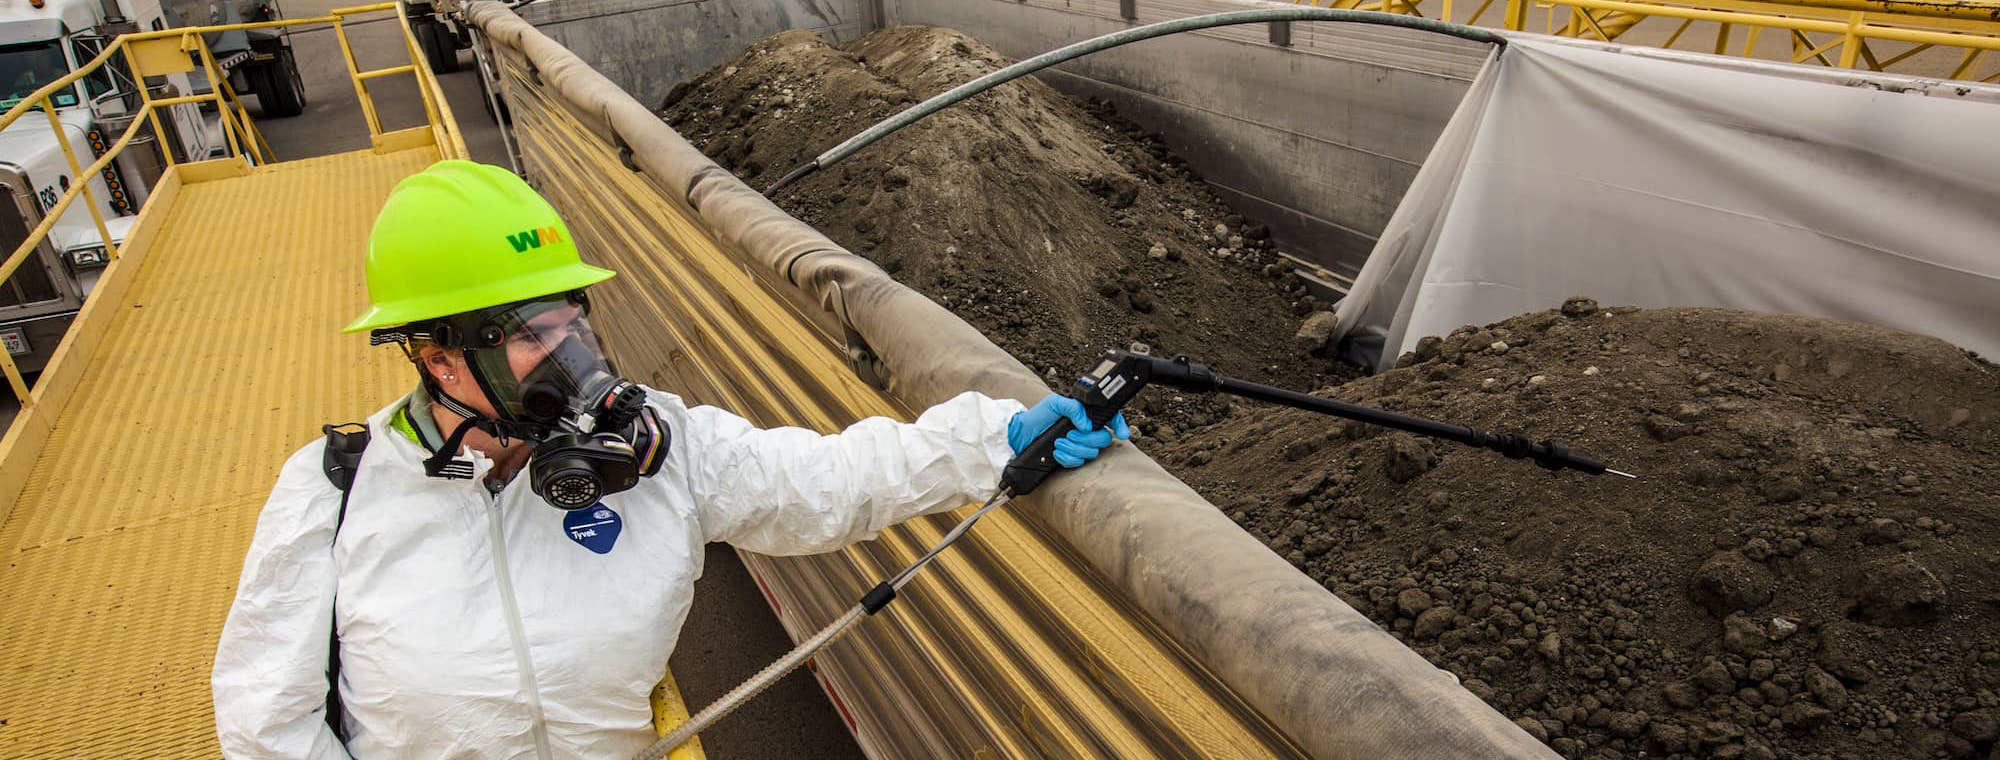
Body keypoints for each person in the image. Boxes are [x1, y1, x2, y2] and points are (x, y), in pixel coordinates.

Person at [209, 160, 1127, 758]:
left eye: (573, 319)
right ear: (438, 357)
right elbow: (266, 720)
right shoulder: (334, 491)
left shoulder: (659, 449)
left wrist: (991, 439)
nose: (572, 356)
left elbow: (827, 484)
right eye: (531, 334)